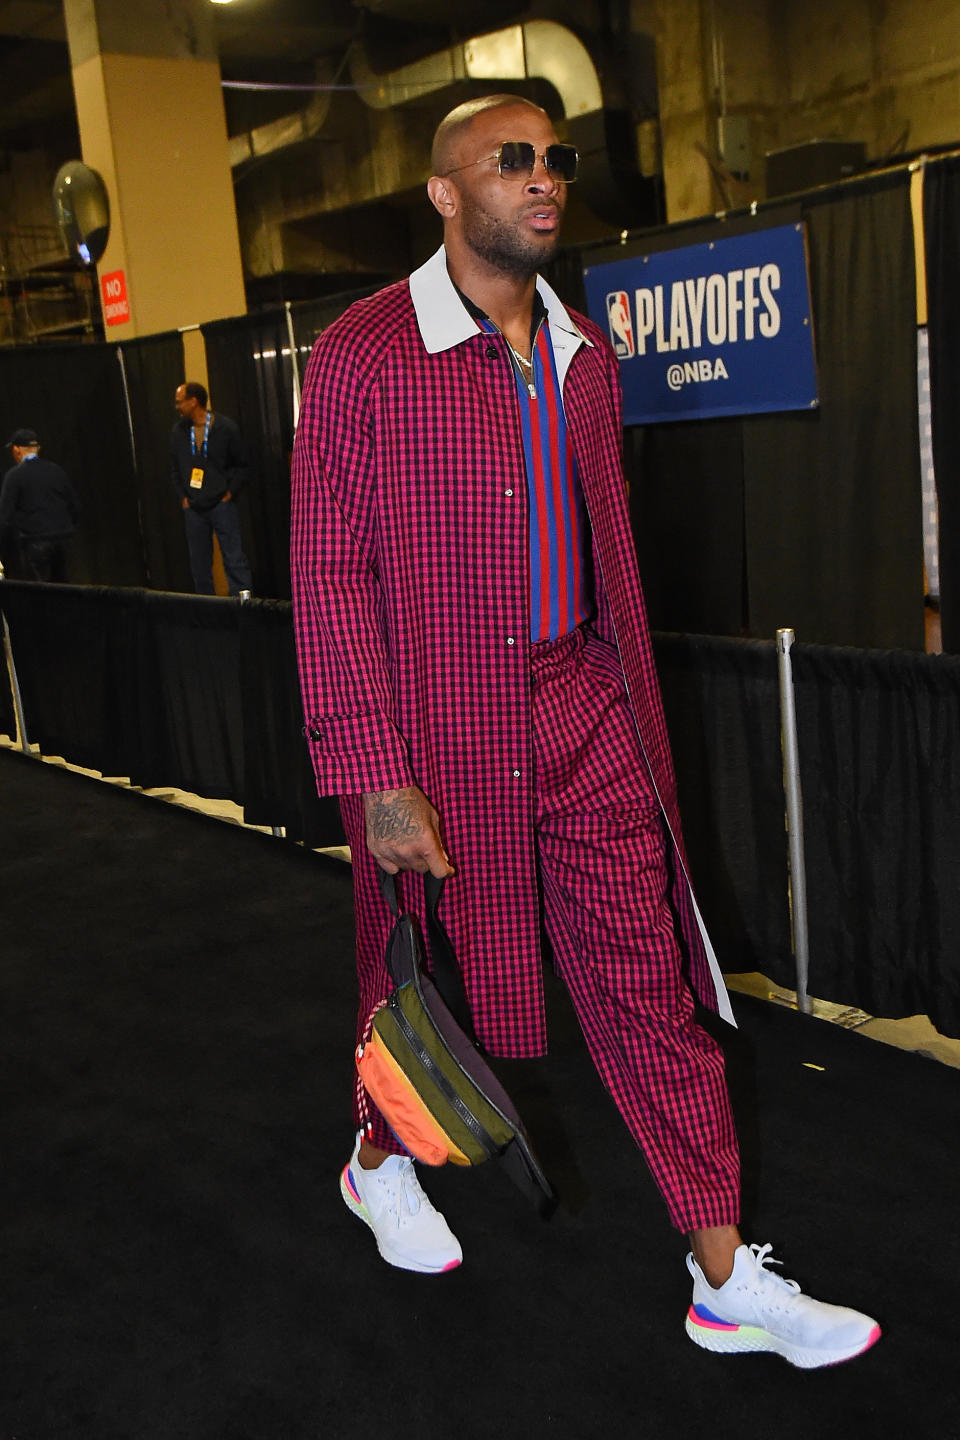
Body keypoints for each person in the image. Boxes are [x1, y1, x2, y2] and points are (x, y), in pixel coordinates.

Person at [289, 94, 881, 1369]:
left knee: (649, 991)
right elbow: (328, 576)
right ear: (446, 193)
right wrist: (372, 772)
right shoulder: (362, 356)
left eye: (556, 159)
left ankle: (723, 1281)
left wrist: (614, 698)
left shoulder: (585, 352)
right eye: (512, 162)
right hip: (432, 732)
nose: (544, 179)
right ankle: (377, 1156)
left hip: (582, 706)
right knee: (421, 984)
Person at [170, 382, 253, 595]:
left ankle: (245, 608)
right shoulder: (179, 432)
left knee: (234, 559)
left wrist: (230, 492)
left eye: (180, 402)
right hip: (194, 507)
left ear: (193, 401)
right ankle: (206, 613)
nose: (177, 406)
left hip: (221, 505)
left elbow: (243, 464)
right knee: (199, 564)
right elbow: (174, 468)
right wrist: (183, 498)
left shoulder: (225, 427)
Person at [0, 429, 81, 582]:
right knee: (66, 590)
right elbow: (75, 506)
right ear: (37, 448)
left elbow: (5, 518)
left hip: (35, 542)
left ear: (16, 450)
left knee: (40, 595)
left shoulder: (14, 476)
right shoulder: (56, 471)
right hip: (64, 541)